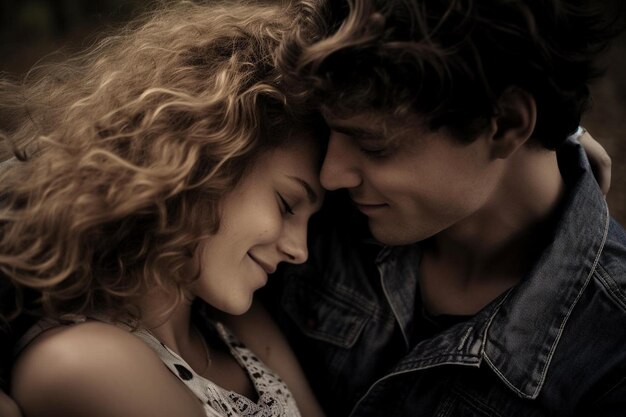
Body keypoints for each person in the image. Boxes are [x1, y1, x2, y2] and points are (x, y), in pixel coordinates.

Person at [235, 0, 626, 416]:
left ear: (507, 124)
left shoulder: (611, 355)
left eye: (373, 146)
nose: (330, 175)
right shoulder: (317, 192)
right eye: (331, 129)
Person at [0, 1, 326, 417]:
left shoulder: (235, 326)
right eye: (287, 205)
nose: (300, 251)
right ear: (207, 160)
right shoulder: (86, 364)